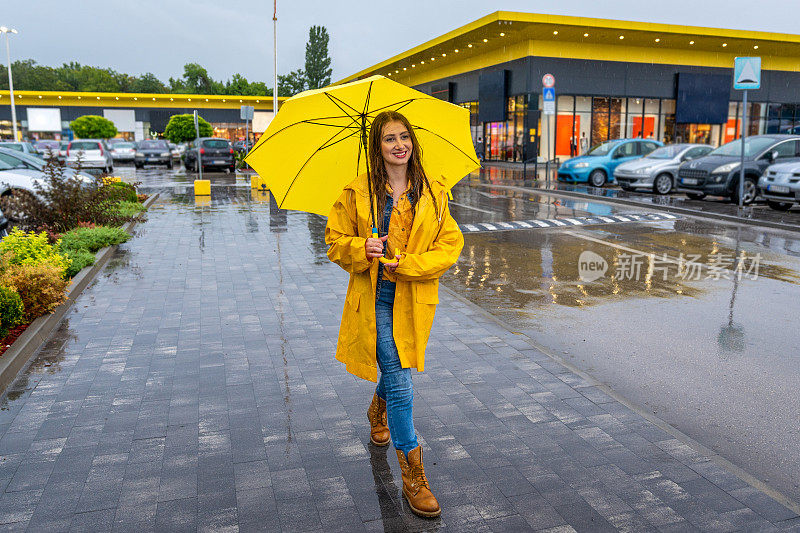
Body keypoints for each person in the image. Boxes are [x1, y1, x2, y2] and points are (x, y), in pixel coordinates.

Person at [325, 110, 464, 518]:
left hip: (412, 302)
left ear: (412, 143)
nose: (399, 144)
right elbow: (334, 241)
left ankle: (376, 408)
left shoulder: (433, 194)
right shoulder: (357, 193)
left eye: (404, 137)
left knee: (395, 371)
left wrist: (409, 266)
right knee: (401, 381)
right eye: (389, 138)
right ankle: (414, 477)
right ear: (377, 146)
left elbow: (449, 246)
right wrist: (360, 249)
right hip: (375, 301)